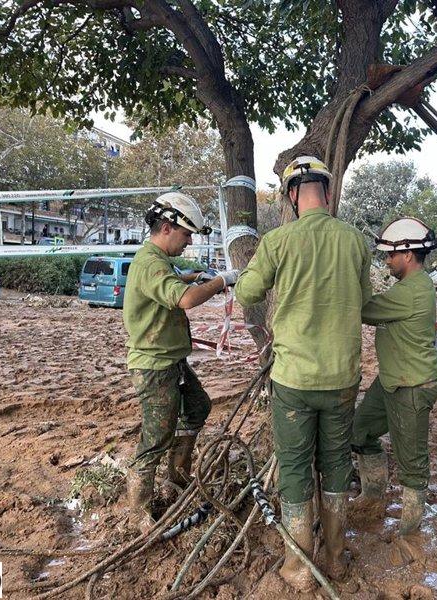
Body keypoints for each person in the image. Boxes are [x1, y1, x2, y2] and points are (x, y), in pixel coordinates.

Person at [234, 156, 372, 592]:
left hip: (293, 380)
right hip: (342, 377)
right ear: (327, 193)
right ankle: (333, 556)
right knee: (335, 464)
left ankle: (298, 567)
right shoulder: (355, 241)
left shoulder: (278, 240)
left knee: (294, 468)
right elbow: (366, 301)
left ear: (292, 195)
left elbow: (248, 291)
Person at [123, 192, 237, 533]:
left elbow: (176, 286)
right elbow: (185, 301)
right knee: (156, 436)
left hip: (171, 361)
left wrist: (194, 277)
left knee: (198, 407)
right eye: (187, 235)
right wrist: (222, 281)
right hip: (154, 366)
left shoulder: (160, 262)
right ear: (169, 228)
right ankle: (138, 511)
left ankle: (177, 475)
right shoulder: (151, 264)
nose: (188, 242)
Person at [350, 217, 437, 566]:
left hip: (413, 386)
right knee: (360, 432)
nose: (387, 261)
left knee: (413, 464)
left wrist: (357, 274)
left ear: (407, 254)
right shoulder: (411, 286)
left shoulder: (413, 290)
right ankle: (374, 496)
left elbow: (365, 310)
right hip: (392, 379)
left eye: (390, 256)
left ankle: (409, 535)